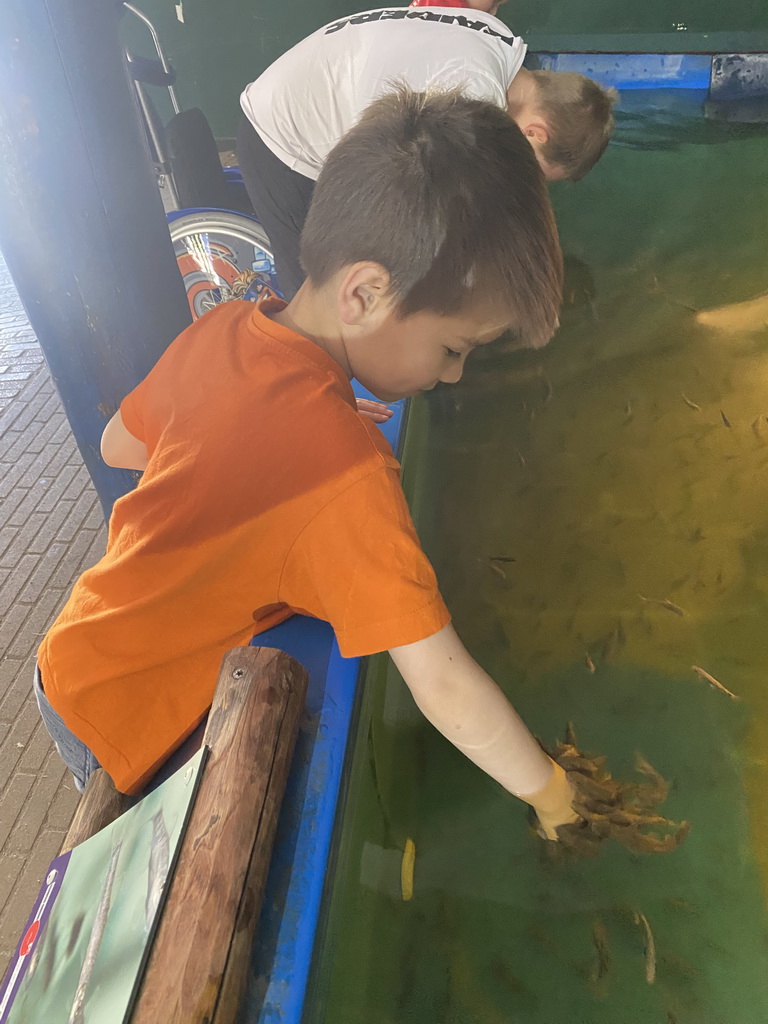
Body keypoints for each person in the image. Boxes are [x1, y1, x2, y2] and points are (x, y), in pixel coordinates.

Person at [35, 88, 578, 839]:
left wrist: (275, 436)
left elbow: (120, 448)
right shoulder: (346, 477)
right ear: (364, 293)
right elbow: (441, 680)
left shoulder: (227, 327)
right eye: (455, 349)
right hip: (127, 718)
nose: (453, 376)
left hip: (74, 650)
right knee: (116, 849)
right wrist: (552, 795)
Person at [237, 4, 616, 299]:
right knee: (314, 293)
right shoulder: (473, 96)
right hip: (281, 135)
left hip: (310, 88)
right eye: (534, 169)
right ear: (535, 133)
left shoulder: (497, 40)